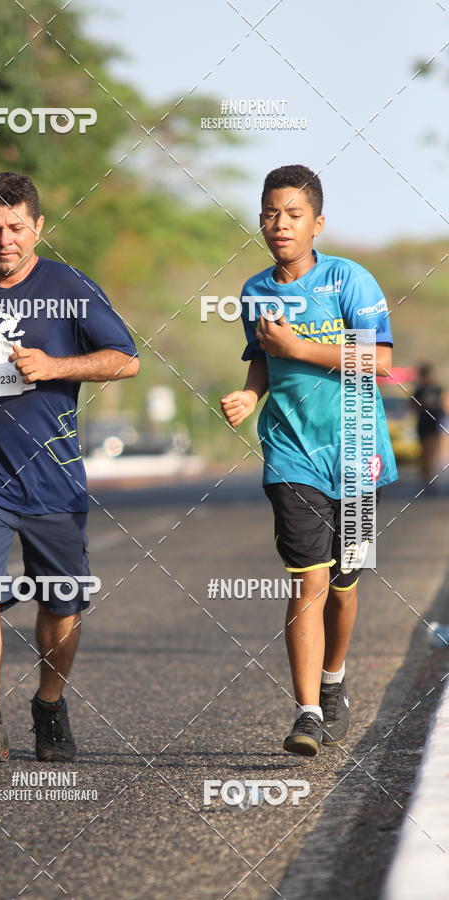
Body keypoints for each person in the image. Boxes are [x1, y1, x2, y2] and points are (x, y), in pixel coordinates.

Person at [0, 172, 139, 764]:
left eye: (16, 227)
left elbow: (126, 361)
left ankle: (49, 703)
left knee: (61, 601)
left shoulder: (71, 287)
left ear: (38, 227)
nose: (4, 241)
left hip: (53, 478)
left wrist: (55, 366)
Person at [220, 164, 397, 756]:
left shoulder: (350, 280)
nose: (280, 224)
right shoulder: (254, 291)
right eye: (270, 213)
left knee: (345, 586)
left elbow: (378, 361)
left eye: (293, 215)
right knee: (308, 582)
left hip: (354, 449)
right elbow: (262, 359)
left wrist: (301, 347)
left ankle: (334, 679)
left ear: (317, 223)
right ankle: (307, 713)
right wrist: (251, 393)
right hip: (290, 452)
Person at [412, 364, 444, 486]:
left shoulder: (437, 389)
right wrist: (421, 404)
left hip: (434, 423)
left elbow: (442, 404)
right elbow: (412, 405)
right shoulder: (419, 390)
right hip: (423, 423)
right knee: (424, 450)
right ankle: (426, 473)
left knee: (432, 450)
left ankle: (430, 473)